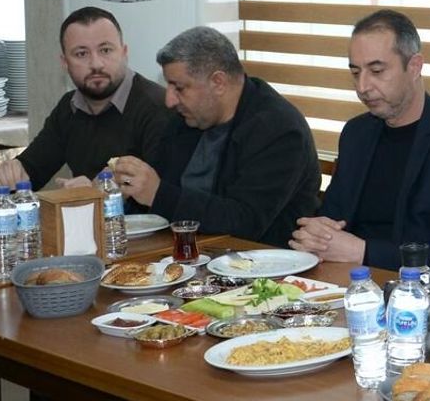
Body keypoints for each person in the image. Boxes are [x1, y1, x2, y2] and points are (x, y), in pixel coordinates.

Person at [289, 10, 430, 268]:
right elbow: (333, 217)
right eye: (356, 73)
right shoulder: (356, 133)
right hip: (344, 279)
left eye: (376, 71)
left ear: (414, 67)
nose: (362, 87)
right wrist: (316, 232)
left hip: (418, 287)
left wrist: (363, 252)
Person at [114, 26, 319, 247]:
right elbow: (155, 192)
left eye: (179, 88)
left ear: (218, 82)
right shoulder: (187, 119)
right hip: (184, 250)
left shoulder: (278, 129)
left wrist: (157, 193)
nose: (169, 100)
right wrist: (123, 188)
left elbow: (246, 222)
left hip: (260, 259)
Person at [0, 7, 168, 190]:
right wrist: (12, 172)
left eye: (106, 50)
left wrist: (99, 192)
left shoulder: (158, 107)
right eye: (81, 54)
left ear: (124, 53)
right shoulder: (69, 107)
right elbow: (33, 168)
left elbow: (164, 191)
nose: (96, 64)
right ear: (65, 63)